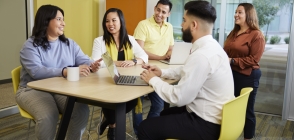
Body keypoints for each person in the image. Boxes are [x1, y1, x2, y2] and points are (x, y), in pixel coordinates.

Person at [138, 1, 235, 139]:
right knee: (165, 114)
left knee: (145, 128)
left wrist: (153, 79)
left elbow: (178, 97)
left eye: (184, 21)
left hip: (206, 124)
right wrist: (162, 73)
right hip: (218, 117)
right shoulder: (213, 47)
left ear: (194, 25)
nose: (182, 25)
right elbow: (188, 69)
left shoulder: (201, 56)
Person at [15, 5, 101, 140]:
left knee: (80, 110)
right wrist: (65, 71)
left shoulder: (69, 44)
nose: (63, 23)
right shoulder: (30, 46)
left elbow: (83, 60)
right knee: (49, 114)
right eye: (59, 19)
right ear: (45, 21)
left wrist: (92, 65)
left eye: (63, 19)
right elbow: (36, 72)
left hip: (60, 89)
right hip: (31, 89)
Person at [91, 8, 148, 140]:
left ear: (121, 22)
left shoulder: (130, 40)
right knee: (111, 100)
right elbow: (95, 61)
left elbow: (144, 56)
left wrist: (133, 61)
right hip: (106, 83)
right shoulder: (99, 41)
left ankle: (110, 121)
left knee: (132, 99)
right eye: (107, 21)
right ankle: (113, 125)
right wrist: (116, 63)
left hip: (126, 82)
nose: (110, 24)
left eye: (114, 20)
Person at [224, 3, 265, 140]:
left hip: (248, 76)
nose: (236, 14)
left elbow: (254, 59)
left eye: (239, 12)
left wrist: (233, 61)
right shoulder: (234, 32)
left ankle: (248, 137)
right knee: (229, 107)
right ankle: (229, 134)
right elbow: (226, 53)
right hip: (231, 74)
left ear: (249, 15)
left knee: (247, 110)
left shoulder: (256, 35)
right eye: (236, 12)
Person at [132, 0, 174, 135]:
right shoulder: (143, 25)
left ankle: (148, 132)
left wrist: (169, 54)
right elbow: (140, 51)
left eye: (163, 12)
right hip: (143, 69)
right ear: (155, 8)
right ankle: (139, 132)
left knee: (158, 105)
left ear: (168, 14)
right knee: (137, 105)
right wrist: (161, 57)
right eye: (158, 10)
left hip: (160, 71)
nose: (159, 14)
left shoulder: (169, 27)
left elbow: (171, 47)